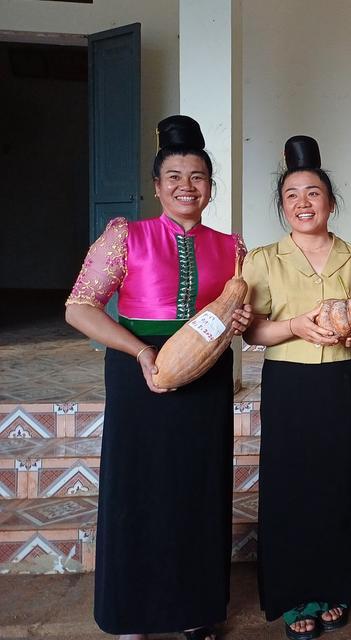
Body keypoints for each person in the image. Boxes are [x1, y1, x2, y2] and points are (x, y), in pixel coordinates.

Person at [65, 115, 249, 640]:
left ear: (210, 189)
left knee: (200, 489)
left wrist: (238, 323)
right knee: (137, 491)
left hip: (207, 376)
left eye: (197, 177)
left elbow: (239, 313)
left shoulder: (231, 246)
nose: (185, 186)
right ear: (157, 186)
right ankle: (132, 615)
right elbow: (81, 308)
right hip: (135, 373)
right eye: (174, 176)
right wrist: (141, 352)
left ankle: (197, 610)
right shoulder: (126, 236)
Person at [242, 136, 351, 639]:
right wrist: (294, 325)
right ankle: (294, 593)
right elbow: (253, 331)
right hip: (289, 383)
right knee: (290, 485)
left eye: (313, 193)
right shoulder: (263, 260)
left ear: (331, 202)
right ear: (282, 206)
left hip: (339, 378)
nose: (303, 203)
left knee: (337, 483)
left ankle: (332, 586)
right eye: (292, 195)